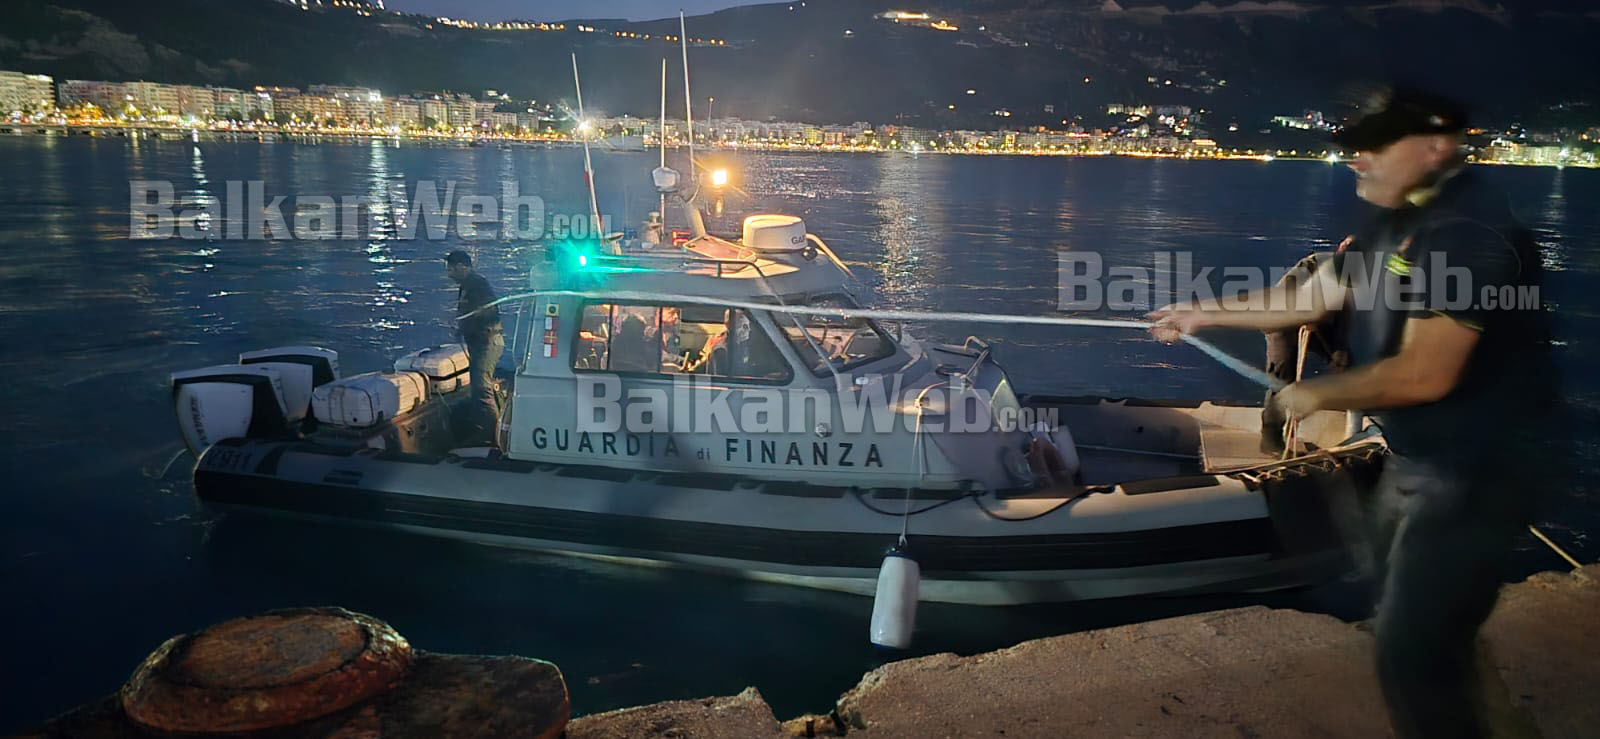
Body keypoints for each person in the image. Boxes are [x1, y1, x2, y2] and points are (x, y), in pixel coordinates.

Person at [1146, 87, 1553, 739]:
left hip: (1477, 470)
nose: (1358, 159)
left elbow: (1425, 372)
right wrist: (1201, 313)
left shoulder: (1465, 237)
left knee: (1409, 650)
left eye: (1377, 146)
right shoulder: (1393, 231)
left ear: (1435, 148)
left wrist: (1313, 394)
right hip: (1416, 462)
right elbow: (1306, 299)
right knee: (1428, 628)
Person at [445, 249, 504, 443]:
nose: (449, 274)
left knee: (482, 389)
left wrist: (466, 322)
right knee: (479, 388)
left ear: (462, 266)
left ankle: (494, 437)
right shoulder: (467, 286)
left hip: (487, 343)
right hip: (480, 342)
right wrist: (461, 328)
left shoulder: (478, 284)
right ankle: (488, 428)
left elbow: (486, 312)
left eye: (451, 269)